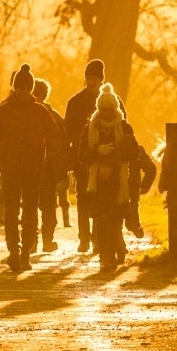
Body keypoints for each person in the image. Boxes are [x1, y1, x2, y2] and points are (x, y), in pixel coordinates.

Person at [0, 64, 58, 269]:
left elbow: (54, 136)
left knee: (30, 211)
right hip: (9, 169)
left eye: (26, 88)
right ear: (15, 88)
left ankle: (25, 251)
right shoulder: (4, 111)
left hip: (34, 169)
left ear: (31, 89)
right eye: (20, 88)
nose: (23, 92)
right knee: (12, 211)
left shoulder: (39, 111)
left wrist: (53, 155)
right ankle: (14, 250)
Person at [75, 85, 134, 271]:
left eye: (110, 110)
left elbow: (134, 153)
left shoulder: (124, 127)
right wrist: (96, 152)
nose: (106, 114)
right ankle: (105, 259)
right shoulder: (90, 127)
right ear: (98, 109)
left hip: (118, 182)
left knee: (116, 222)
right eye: (103, 110)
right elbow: (81, 155)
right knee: (101, 221)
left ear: (116, 109)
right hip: (98, 184)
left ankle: (118, 250)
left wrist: (115, 159)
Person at [62, 58, 107, 252]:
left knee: (99, 197)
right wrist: (70, 159)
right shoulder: (75, 102)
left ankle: (97, 237)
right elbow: (67, 133)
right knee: (83, 197)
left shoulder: (109, 102)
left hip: (104, 158)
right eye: (88, 78)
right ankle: (84, 237)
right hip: (82, 157)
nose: (90, 83)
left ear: (101, 80)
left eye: (94, 79)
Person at [34, 77, 67, 253]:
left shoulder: (26, 115)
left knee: (32, 207)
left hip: (34, 167)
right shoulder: (54, 116)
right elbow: (62, 145)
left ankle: (33, 241)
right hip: (48, 168)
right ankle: (46, 240)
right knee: (47, 207)